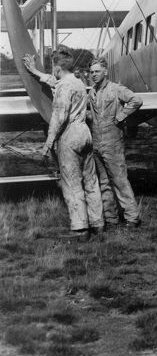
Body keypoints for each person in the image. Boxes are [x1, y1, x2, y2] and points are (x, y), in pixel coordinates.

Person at [23, 50, 104, 241]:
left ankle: (80, 229)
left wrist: (48, 143)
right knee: (91, 181)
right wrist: (35, 71)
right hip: (85, 132)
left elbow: (59, 117)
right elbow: (52, 80)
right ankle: (98, 224)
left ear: (58, 67)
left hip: (70, 134)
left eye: (53, 67)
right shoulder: (77, 82)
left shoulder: (64, 87)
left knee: (72, 183)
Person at [88, 57, 143, 228]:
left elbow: (136, 100)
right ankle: (110, 218)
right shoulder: (92, 92)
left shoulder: (116, 89)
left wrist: (120, 116)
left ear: (105, 72)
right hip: (96, 143)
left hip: (112, 142)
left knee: (120, 181)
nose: (94, 75)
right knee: (104, 182)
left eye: (97, 71)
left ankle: (132, 218)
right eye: (91, 72)